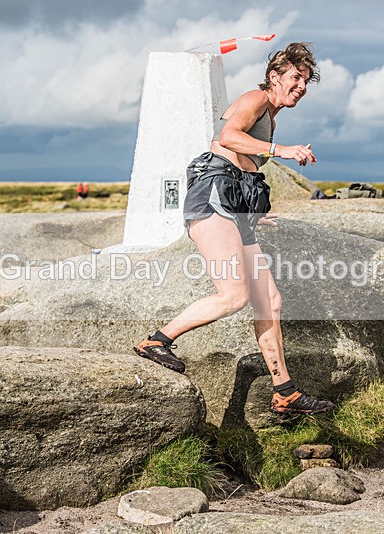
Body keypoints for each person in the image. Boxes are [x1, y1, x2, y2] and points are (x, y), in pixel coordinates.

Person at [134, 42, 335, 416]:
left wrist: (253, 211)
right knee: (233, 296)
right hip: (213, 195)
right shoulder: (255, 98)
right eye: (295, 77)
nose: (301, 86)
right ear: (274, 76)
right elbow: (228, 139)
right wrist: (283, 150)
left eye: (305, 81)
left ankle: (284, 391)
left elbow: (244, 165)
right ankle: (156, 341)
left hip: (235, 206)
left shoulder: (270, 117)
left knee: (270, 300)